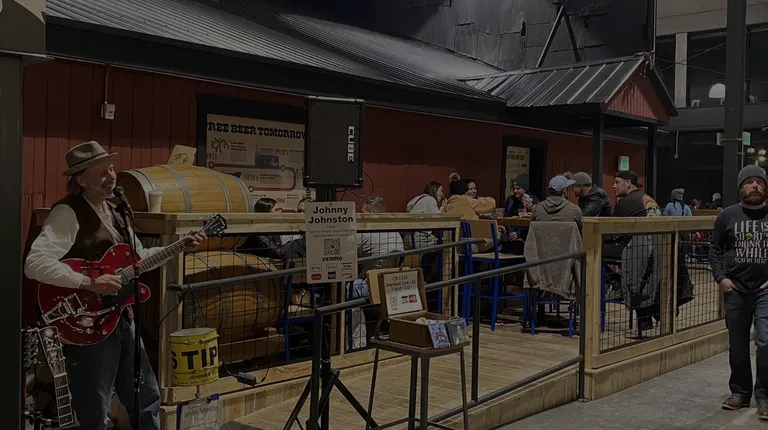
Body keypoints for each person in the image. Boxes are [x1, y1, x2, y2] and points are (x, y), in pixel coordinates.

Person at [24, 141, 205, 430]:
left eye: (111, 169)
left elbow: (139, 259)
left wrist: (179, 247)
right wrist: (89, 282)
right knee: (94, 409)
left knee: (146, 395)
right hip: (87, 322)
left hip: (121, 316)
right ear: (81, 180)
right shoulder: (67, 213)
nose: (111, 176)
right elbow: (35, 263)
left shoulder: (117, 212)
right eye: (102, 172)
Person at [710, 165, 768, 419]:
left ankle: (764, 397)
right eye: (749, 182)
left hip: (765, 290)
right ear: (741, 187)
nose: (754, 186)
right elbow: (715, 249)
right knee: (738, 345)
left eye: (759, 182)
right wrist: (721, 278)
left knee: (766, 341)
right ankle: (740, 393)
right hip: (735, 289)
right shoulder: (727, 215)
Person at [407, 181, 445, 248]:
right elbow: (438, 220)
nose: (442, 194)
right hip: (420, 240)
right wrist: (443, 207)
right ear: (434, 190)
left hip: (409, 239)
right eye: (441, 191)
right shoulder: (430, 200)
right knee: (445, 242)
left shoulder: (421, 199)